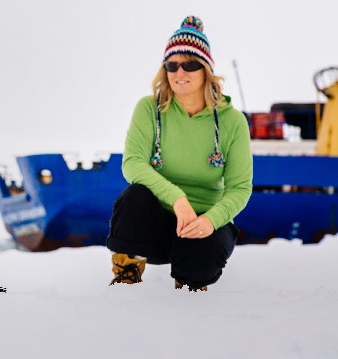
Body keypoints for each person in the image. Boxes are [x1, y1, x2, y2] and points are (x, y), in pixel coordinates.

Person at [106, 16, 252, 291]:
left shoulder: (233, 121)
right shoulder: (149, 109)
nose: (179, 72)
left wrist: (211, 220)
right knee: (134, 197)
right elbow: (133, 164)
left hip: (203, 223)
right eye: (172, 65)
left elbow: (240, 188)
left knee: (201, 261)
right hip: (156, 225)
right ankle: (126, 281)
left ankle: (189, 293)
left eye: (190, 64)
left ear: (206, 69)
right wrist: (177, 199)